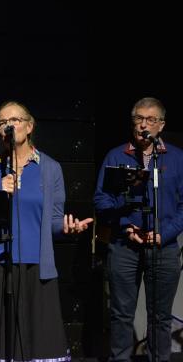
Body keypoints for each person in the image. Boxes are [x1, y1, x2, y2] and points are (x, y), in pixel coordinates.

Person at [0, 101, 93, 362]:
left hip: (37, 267)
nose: (8, 126)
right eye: (2, 122)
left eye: (14, 120)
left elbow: (54, 221)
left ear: (29, 126)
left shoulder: (50, 168)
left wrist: (69, 228)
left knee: (37, 345)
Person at [94, 97, 183, 361]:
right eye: (138, 119)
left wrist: (163, 233)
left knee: (160, 317)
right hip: (124, 245)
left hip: (163, 247)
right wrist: (124, 225)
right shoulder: (116, 155)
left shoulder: (177, 158)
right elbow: (102, 200)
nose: (143, 124)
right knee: (121, 314)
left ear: (161, 125)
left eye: (150, 119)